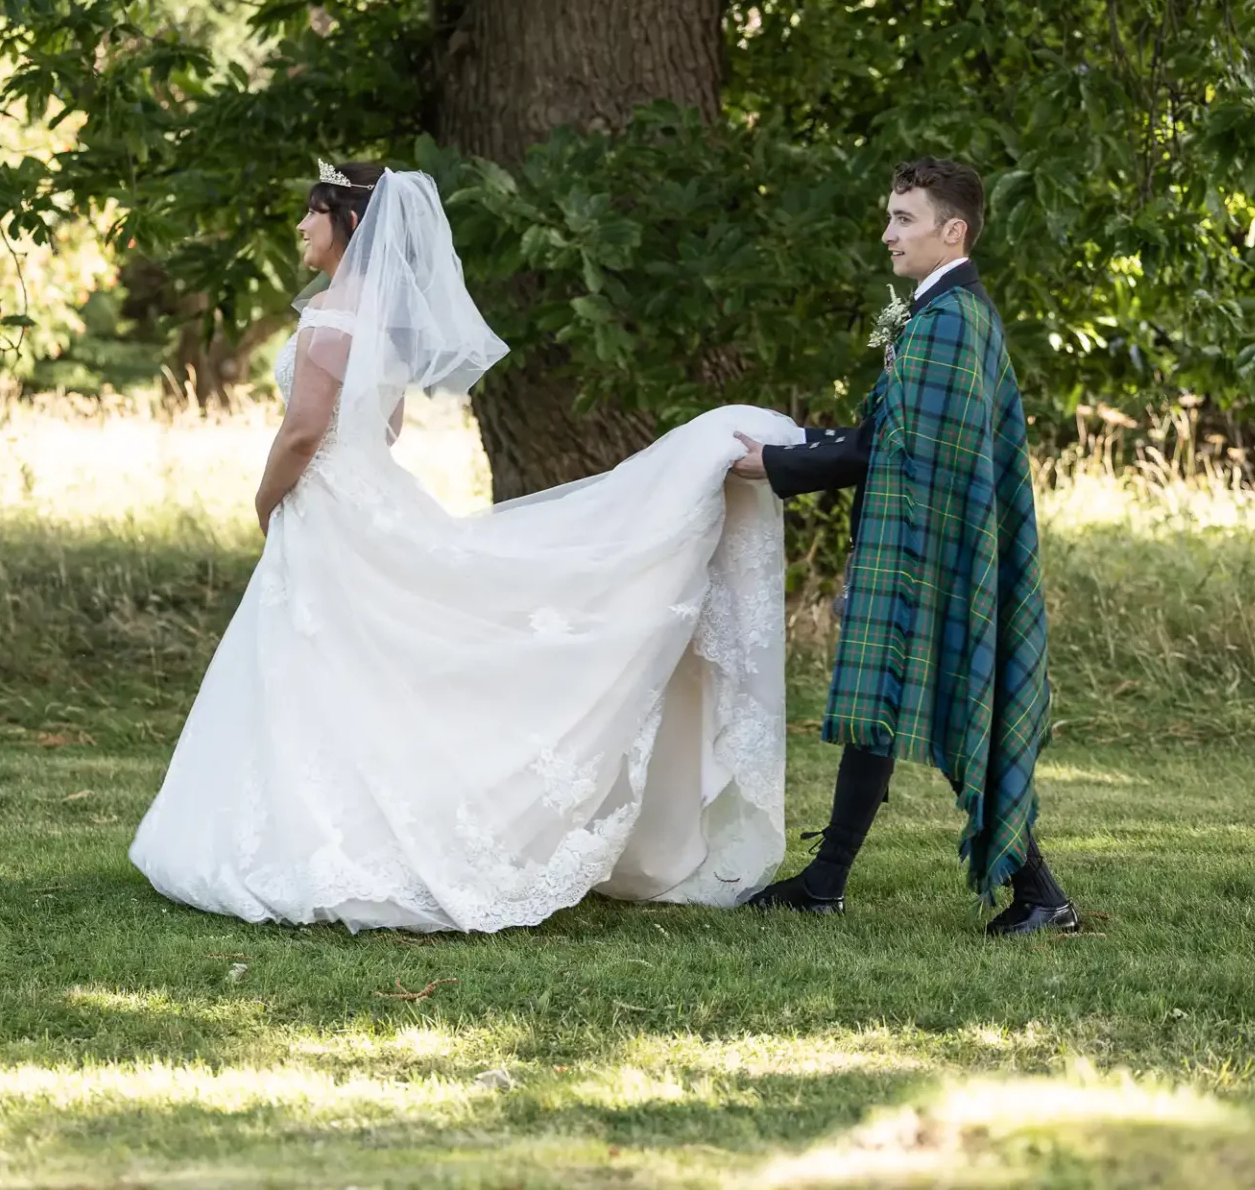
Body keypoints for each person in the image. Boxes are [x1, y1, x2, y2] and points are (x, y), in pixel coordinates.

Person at [129, 162, 802, 933]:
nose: (301, 230)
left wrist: (267, 496)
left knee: (321, 667)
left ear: (346, 222)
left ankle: (323, 841)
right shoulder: (380, 323)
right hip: (369, 497)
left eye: (311, 215)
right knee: (363, 671)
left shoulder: (324, 323)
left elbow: (305, 432)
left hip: (324, 508)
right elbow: (384, 432)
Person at [732, 157, 1080, 936]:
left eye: (904, 220)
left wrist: (778, 466)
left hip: (937, 552)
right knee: (879, 704)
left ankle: (1041, 894)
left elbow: (895, 452)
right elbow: (888, 435)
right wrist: (799, 443)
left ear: (951, 231)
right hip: (916, 543)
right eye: (889, 217)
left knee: (957, 700)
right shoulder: (937, 313)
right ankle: (826, 881)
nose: (887, 234)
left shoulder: (952, 323)